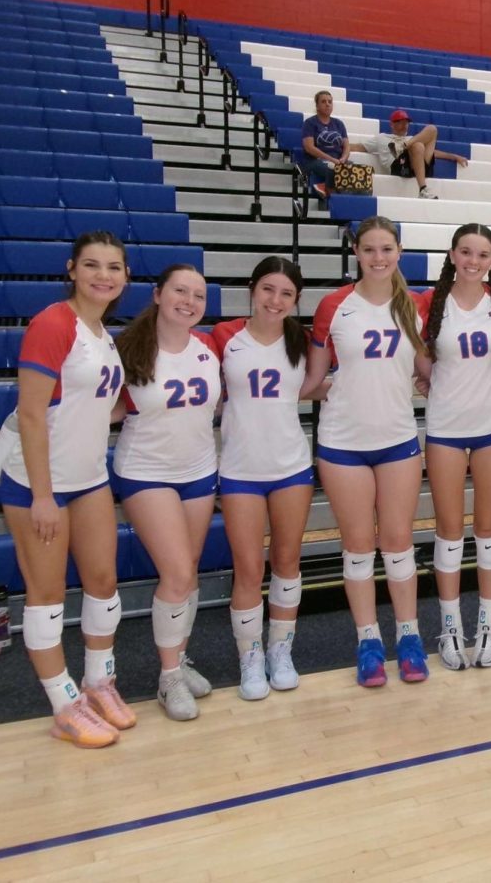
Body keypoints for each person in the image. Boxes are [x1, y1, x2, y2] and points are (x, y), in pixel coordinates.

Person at [0, 231, 132, 748]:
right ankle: (64, 704)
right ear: (72, 269)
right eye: (92, 265)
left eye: (114, 267)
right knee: (47, 596)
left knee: (103, 583)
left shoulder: (103, 334)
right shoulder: (53, 323)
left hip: (90, 476)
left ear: (125, 277)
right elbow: (32, 414)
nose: (104, 275)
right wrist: (43, 496)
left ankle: (100, 683)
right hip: (39, 483)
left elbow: (101, 405)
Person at [304, 216, 428, 687]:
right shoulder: (334, 305)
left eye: (387, 249)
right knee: (358, 547)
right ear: (356, 252)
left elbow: (425, 369)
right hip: (343, 443)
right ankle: (368, 641)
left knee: (398, 544)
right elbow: (313, 381)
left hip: (396, 439)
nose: (379, 257)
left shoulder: (413, 305)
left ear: (399, 251)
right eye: (370, 249)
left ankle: (410, 638)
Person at [113, 265, 220, 721]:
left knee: (188, 574)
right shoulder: (127, 349)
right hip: (145, 471)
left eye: (198, 295)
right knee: (176, 573)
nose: (189, 301)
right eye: (180, 290)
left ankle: (179, 656)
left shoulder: (209, 348)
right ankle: (168, 677)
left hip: (199, 469)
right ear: (157, 294)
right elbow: (105, 408)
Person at [212, 257, 318, 701]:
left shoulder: (302, 340)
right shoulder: (223, 337)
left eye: (286, 294)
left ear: (296, 301)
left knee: (287, 561)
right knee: (249, 569)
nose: (276, 300)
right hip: (239, 469)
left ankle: (280, 650)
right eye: (268, 289)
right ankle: (250, 654)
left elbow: (311, 386)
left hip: (291, 466)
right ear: (253, 289)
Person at [413, 223, 491, 669]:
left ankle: (489, 625)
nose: (474, 261)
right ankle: (450, 626)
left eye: (483, 254)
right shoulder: (429, 301)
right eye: (467, 252)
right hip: (447, 428)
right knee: (449, 531)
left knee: (489, 529)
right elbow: (419, 356)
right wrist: (426, 378)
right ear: (453, 254)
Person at [355, 109, 468, 200]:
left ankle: (403, 146)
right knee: (418, 145)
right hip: (398, 166)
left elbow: (433, 152)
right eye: (400, 122)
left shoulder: (412, 139)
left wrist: (454, 156)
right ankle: (423, 189)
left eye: (406, 122)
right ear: (392, 124)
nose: (404, 125)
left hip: (416, 162)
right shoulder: (382, 138)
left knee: (432, 129)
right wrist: (343, 146)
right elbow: (360, 147)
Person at [299, 90, 350, 197]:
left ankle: (325, 187)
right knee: (333, 169)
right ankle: (329, 193)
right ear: (317, 106)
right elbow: (309, 148)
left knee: (355, 170)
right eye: (323, 101)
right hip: (315, 161)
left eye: (330, 102)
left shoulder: (339, 124)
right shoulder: (310, 123)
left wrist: (343, 158)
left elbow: (346, 146)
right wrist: (331, 160)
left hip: (337, 160)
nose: (327, 104)